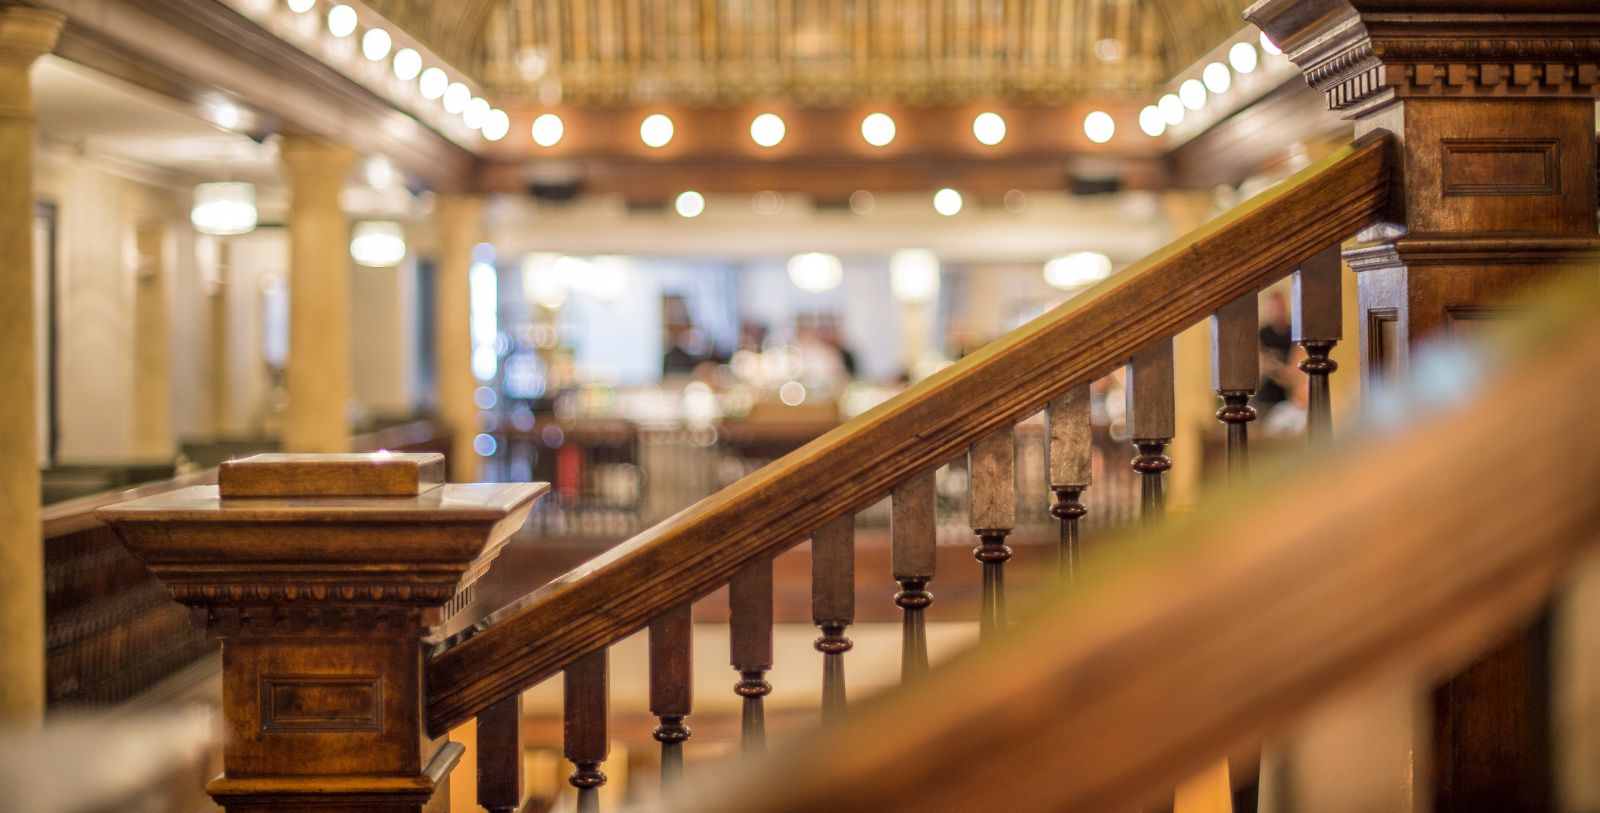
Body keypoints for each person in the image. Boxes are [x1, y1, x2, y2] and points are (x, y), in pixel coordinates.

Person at [1256, 291, 1294, 410]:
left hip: (1287, 399)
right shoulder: (1262, 333)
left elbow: (1293, 373)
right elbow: (1259, 367)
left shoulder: (1293, 333)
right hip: (1263, 397)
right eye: (1275, 308)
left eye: (1281, 308)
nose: (1278, 312)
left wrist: (1274, 369)